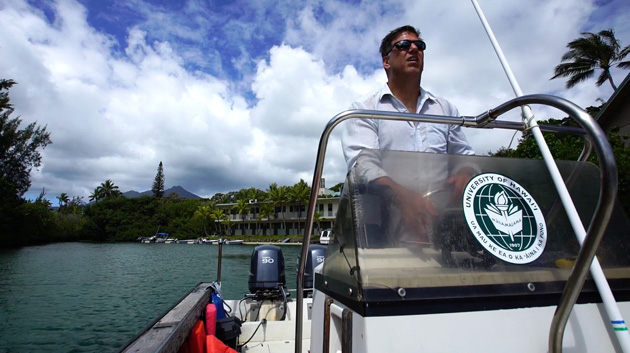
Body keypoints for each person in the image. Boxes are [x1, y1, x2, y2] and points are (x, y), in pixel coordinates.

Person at [341, 25, 475, 243]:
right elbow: (362, 166)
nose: (414, 49)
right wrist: (405, 197)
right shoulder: (364, 108)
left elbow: (465, 156)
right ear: (386, 61)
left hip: (444, 232)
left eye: (419, 45)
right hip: (386, 235)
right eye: (403, 45)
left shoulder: (445, 109)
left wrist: (465, 173)